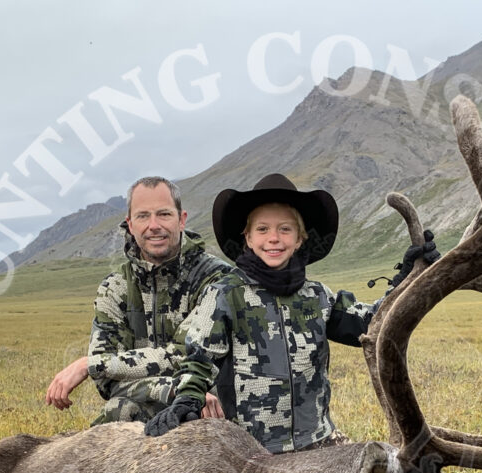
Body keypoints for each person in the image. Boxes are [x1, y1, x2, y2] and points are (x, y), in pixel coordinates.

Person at [144, 173, 437, 453]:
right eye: (262, 229)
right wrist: (187, 399)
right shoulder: (225, 294)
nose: (274, 238)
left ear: (300, 239)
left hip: (320, 439)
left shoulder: (319, 296)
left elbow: (375, 321)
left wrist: (410, 280)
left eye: (285, 229)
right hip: (250, 450)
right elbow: (199, 361)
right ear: (247, 238)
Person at [44, 176, 231, 424]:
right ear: (130, 225)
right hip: (151, 404)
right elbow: (108, 383)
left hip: (210, 407)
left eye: (164, 214)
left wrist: (90, 364)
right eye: (143, 216)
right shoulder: (114, 288)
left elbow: (182, 355)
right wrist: (172, 390)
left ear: (182, 219)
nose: (154, 225)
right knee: (118, 409)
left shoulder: (216, 279)